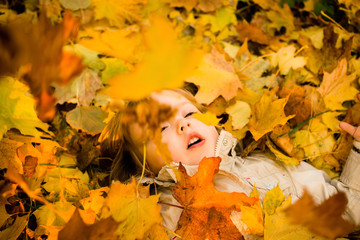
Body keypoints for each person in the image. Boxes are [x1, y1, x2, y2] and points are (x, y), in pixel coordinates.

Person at [99, 88, 360, 237]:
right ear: (146, 168)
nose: (183, 123)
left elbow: (348, 208)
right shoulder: (164, 216)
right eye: (161, 128)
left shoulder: (271, 167)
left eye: (189, 113)